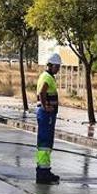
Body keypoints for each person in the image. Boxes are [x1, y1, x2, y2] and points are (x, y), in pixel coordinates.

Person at [36, 53, 61, 184]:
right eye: (57, 67)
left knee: (46, 142)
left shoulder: (47, 76)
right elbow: (42, 92)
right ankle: (43, 173)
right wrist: (46, 107)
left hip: (47, 114)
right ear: (50, 66)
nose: (58, 69)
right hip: (46, 114)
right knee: (45, 142)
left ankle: (45, 170)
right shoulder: (47, 77)